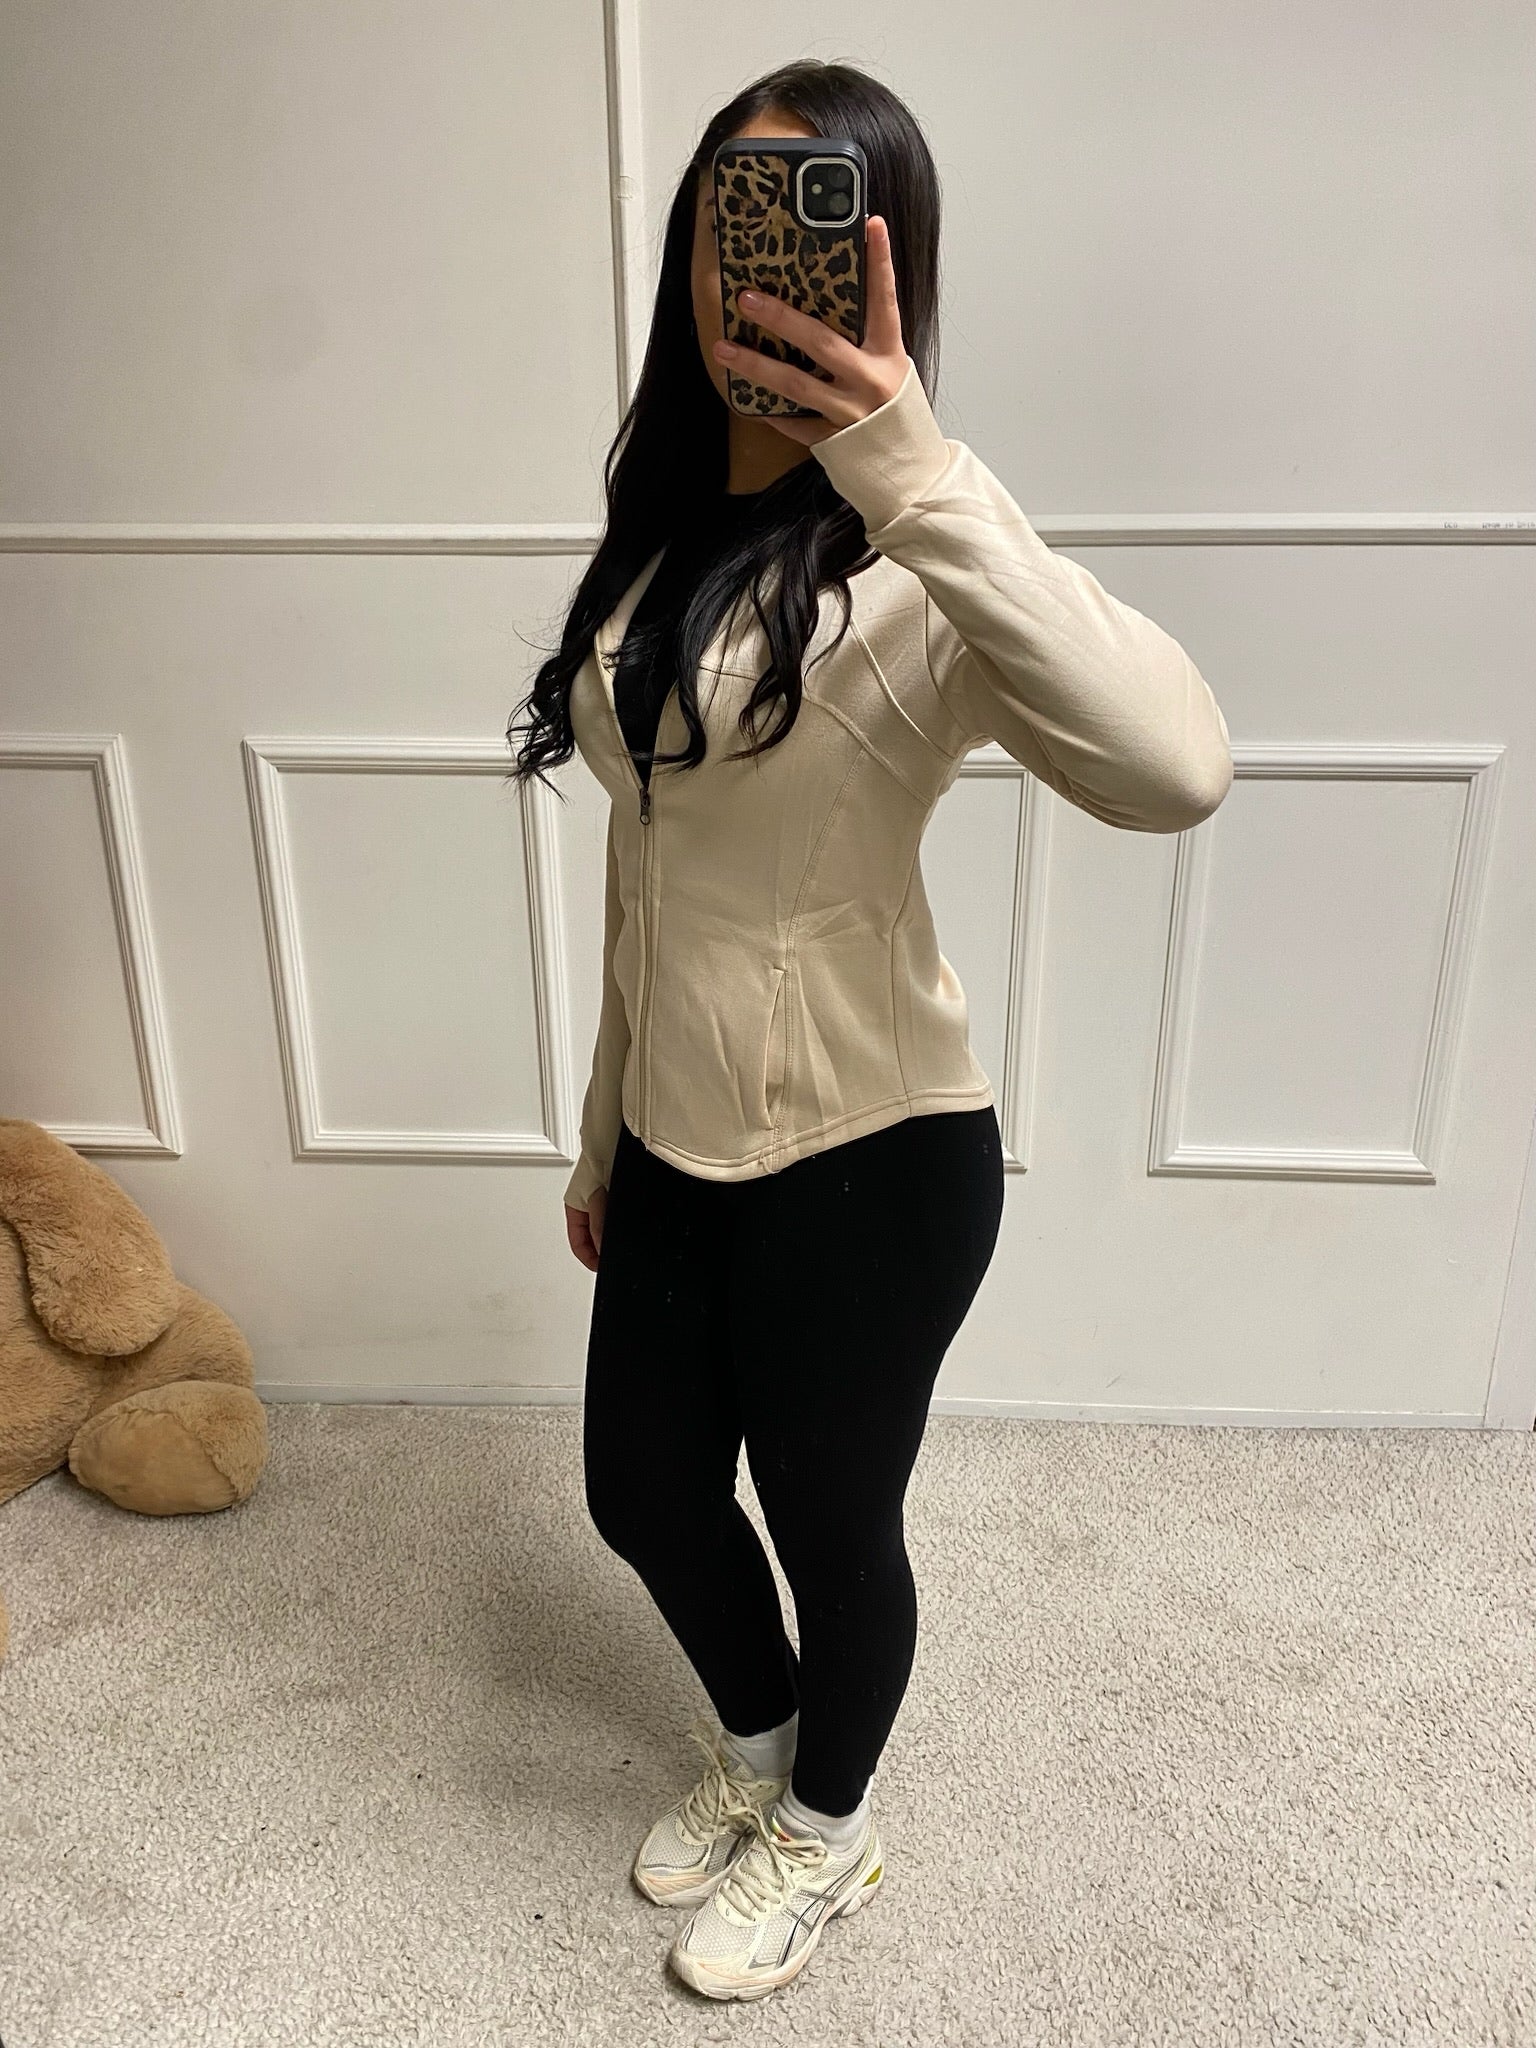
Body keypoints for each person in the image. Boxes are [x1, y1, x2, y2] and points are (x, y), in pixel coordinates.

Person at [505, 59, 1233, 2003]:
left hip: (871, 1157)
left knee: (834, 1520)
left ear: (885, 261)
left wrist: (910, 458)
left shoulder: (922, 568)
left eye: (806, 225)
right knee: (642, 1488)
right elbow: (647, 879)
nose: (753, 269)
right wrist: (601, 1132)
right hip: (674, 1137)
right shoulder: (662, 529)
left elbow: (1178, 764)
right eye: (724, 224)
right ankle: (763, 1756)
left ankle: (832, 1828)